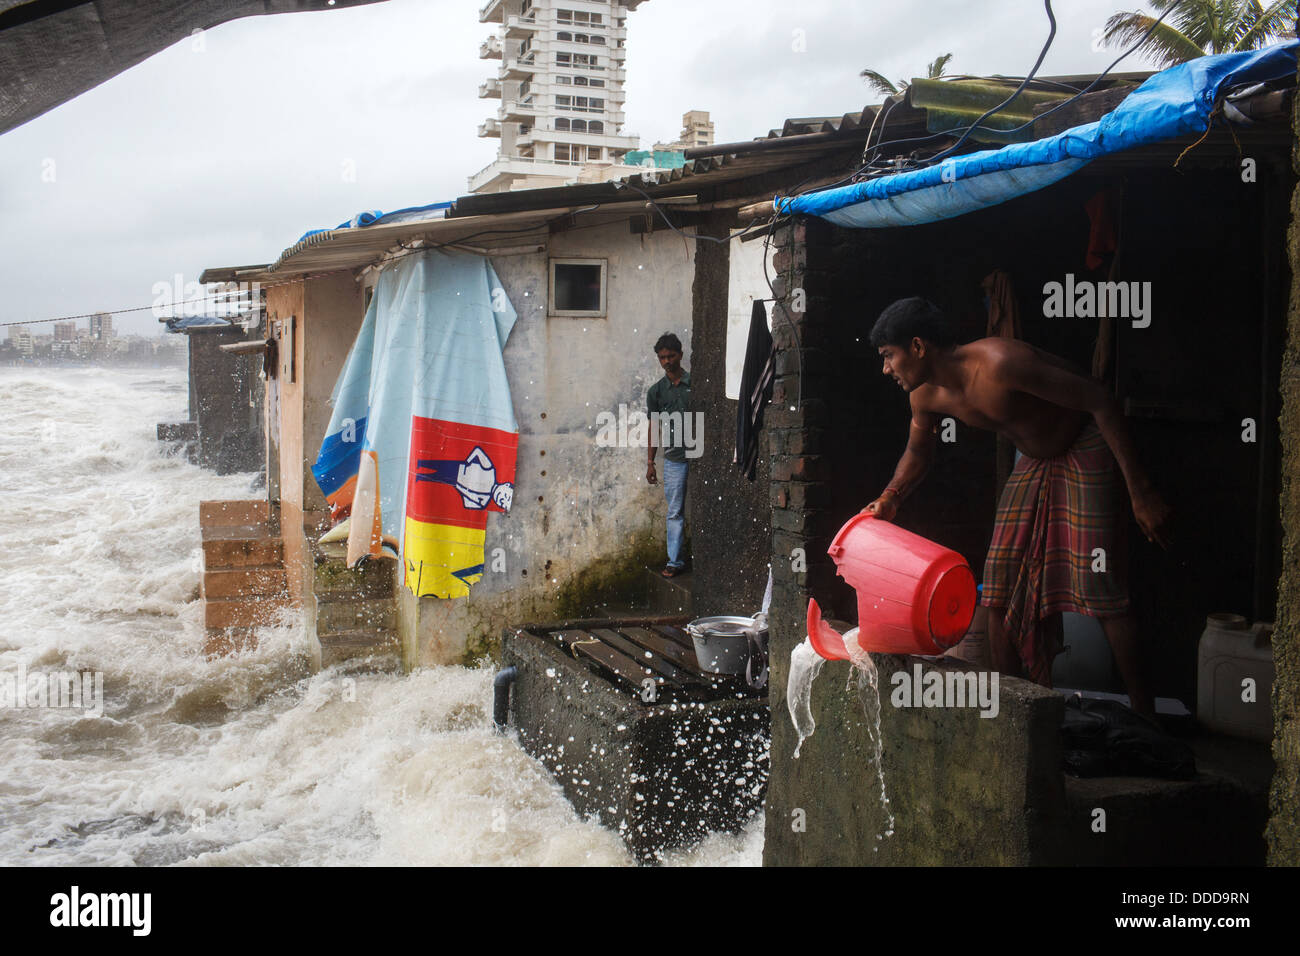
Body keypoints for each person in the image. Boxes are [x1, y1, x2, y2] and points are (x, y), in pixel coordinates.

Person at [862, 297, 1171, 715]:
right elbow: (918, 454)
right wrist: (890, 497)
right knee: (998, 587)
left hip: (1085, 443)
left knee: (1101, 584)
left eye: (888, 356)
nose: (886, 370)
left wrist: (1142, 491)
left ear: (918, 346)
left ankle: (1146, 716)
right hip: (1033, 459)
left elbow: (1100, 400)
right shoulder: (924, 397)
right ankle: (1015, 715)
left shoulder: (1000, 364)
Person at [646, 332, 691, 577]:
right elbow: (654, 426)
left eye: (670, 356)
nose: (666, 361)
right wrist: (650, 462)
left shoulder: (695, 385)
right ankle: (675, 562)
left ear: (680, 355)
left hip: (700, 457)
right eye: (662, 357)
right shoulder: (656, 392)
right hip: (674, 459)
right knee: (674, 511)